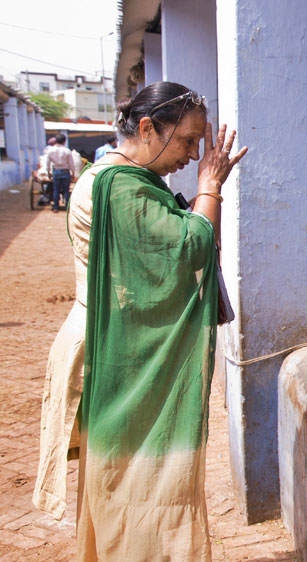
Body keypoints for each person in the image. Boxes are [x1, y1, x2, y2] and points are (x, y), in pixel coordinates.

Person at [32, 81, 247, 562]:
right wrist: (210, 187)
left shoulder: (115, 178)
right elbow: (187, 250)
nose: (193, 155)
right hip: (113, 350)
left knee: (121, 481)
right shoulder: (121, 186)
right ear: (148, 128)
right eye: (187, 140)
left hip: (112, 340)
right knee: (138, 482)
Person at [46, 134, 75, 212]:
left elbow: (48, 163)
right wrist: (73, 172)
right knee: (66, 190)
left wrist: (48, 172)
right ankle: (67, 207)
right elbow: (71, 163)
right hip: (65, 171)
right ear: (64, 141)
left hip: (56, 171)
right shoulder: (67, 151)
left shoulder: (51, 150)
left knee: (56, 190)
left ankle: (56, 207)